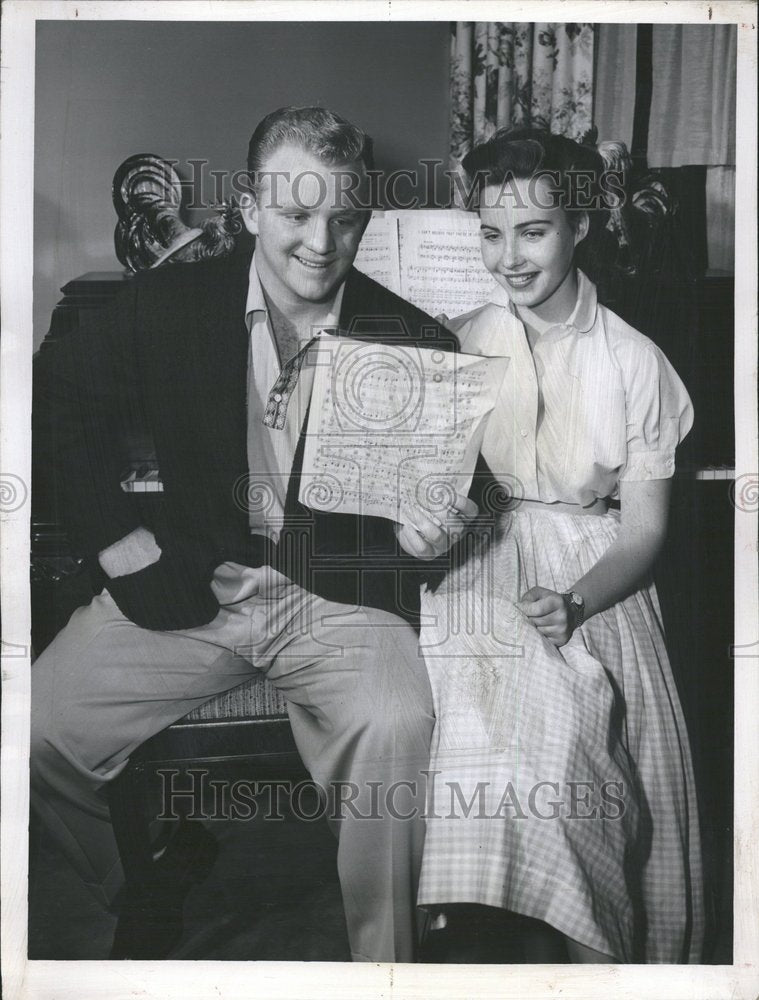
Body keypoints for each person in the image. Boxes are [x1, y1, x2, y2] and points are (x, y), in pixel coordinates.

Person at [30, 106, 477, 963]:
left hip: (343, 598)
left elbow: (467, 494)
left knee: (394, 729)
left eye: (344, 218)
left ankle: (386, 970)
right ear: (248, 207)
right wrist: (122, 545)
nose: (321, 242)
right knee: (37, 731)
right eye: (296, 214)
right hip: (194, 580)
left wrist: (434, 537)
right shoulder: (163, 304)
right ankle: (145, 880)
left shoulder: (412, 336)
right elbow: (54, 403)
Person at [417, 127, 704, 964]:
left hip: (593, 570)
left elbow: (644, 529)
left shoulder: (634, 361)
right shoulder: (458, 339)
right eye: (490, 232)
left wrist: (576, 601)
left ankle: (587, 945)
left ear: (578, 226)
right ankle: (471, 942)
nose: (508, 256)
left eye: (532, 231)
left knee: (562, 740)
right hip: (480, 556)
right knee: (463, 717)